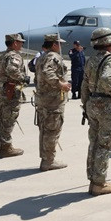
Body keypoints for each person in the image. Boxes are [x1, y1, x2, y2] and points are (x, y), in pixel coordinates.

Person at [81, 27, 111, 196]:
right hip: (106, 106)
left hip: (92, 103)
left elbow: (84, 85)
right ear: (108, 42)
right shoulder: (110, 60)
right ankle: (100, 183)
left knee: (94, 141)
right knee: (105, 144)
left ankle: (93, 178)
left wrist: (86, 105)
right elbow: (107, 79)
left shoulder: (91, 60)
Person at [35, 33, 71, 171]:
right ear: (54, 44)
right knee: (52, 130)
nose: (60, 46)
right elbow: (47, 73)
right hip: (53, 100)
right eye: (59, 44)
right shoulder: (52, 57)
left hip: (43, 99)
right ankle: (48, 161)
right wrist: (60, 84)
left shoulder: (42, 57)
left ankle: (46, 158)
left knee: (45, 130)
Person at [0, 33, 29, 158]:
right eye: (20, 42)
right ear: (15, 43)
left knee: (4, 118)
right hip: (11, 91)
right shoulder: (14, 56)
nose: (22, 44)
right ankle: (6, 147)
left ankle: (4, 144)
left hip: (3, 90)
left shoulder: (2, 56)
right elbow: (12, 70)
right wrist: (23, 78)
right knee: (9, 119)